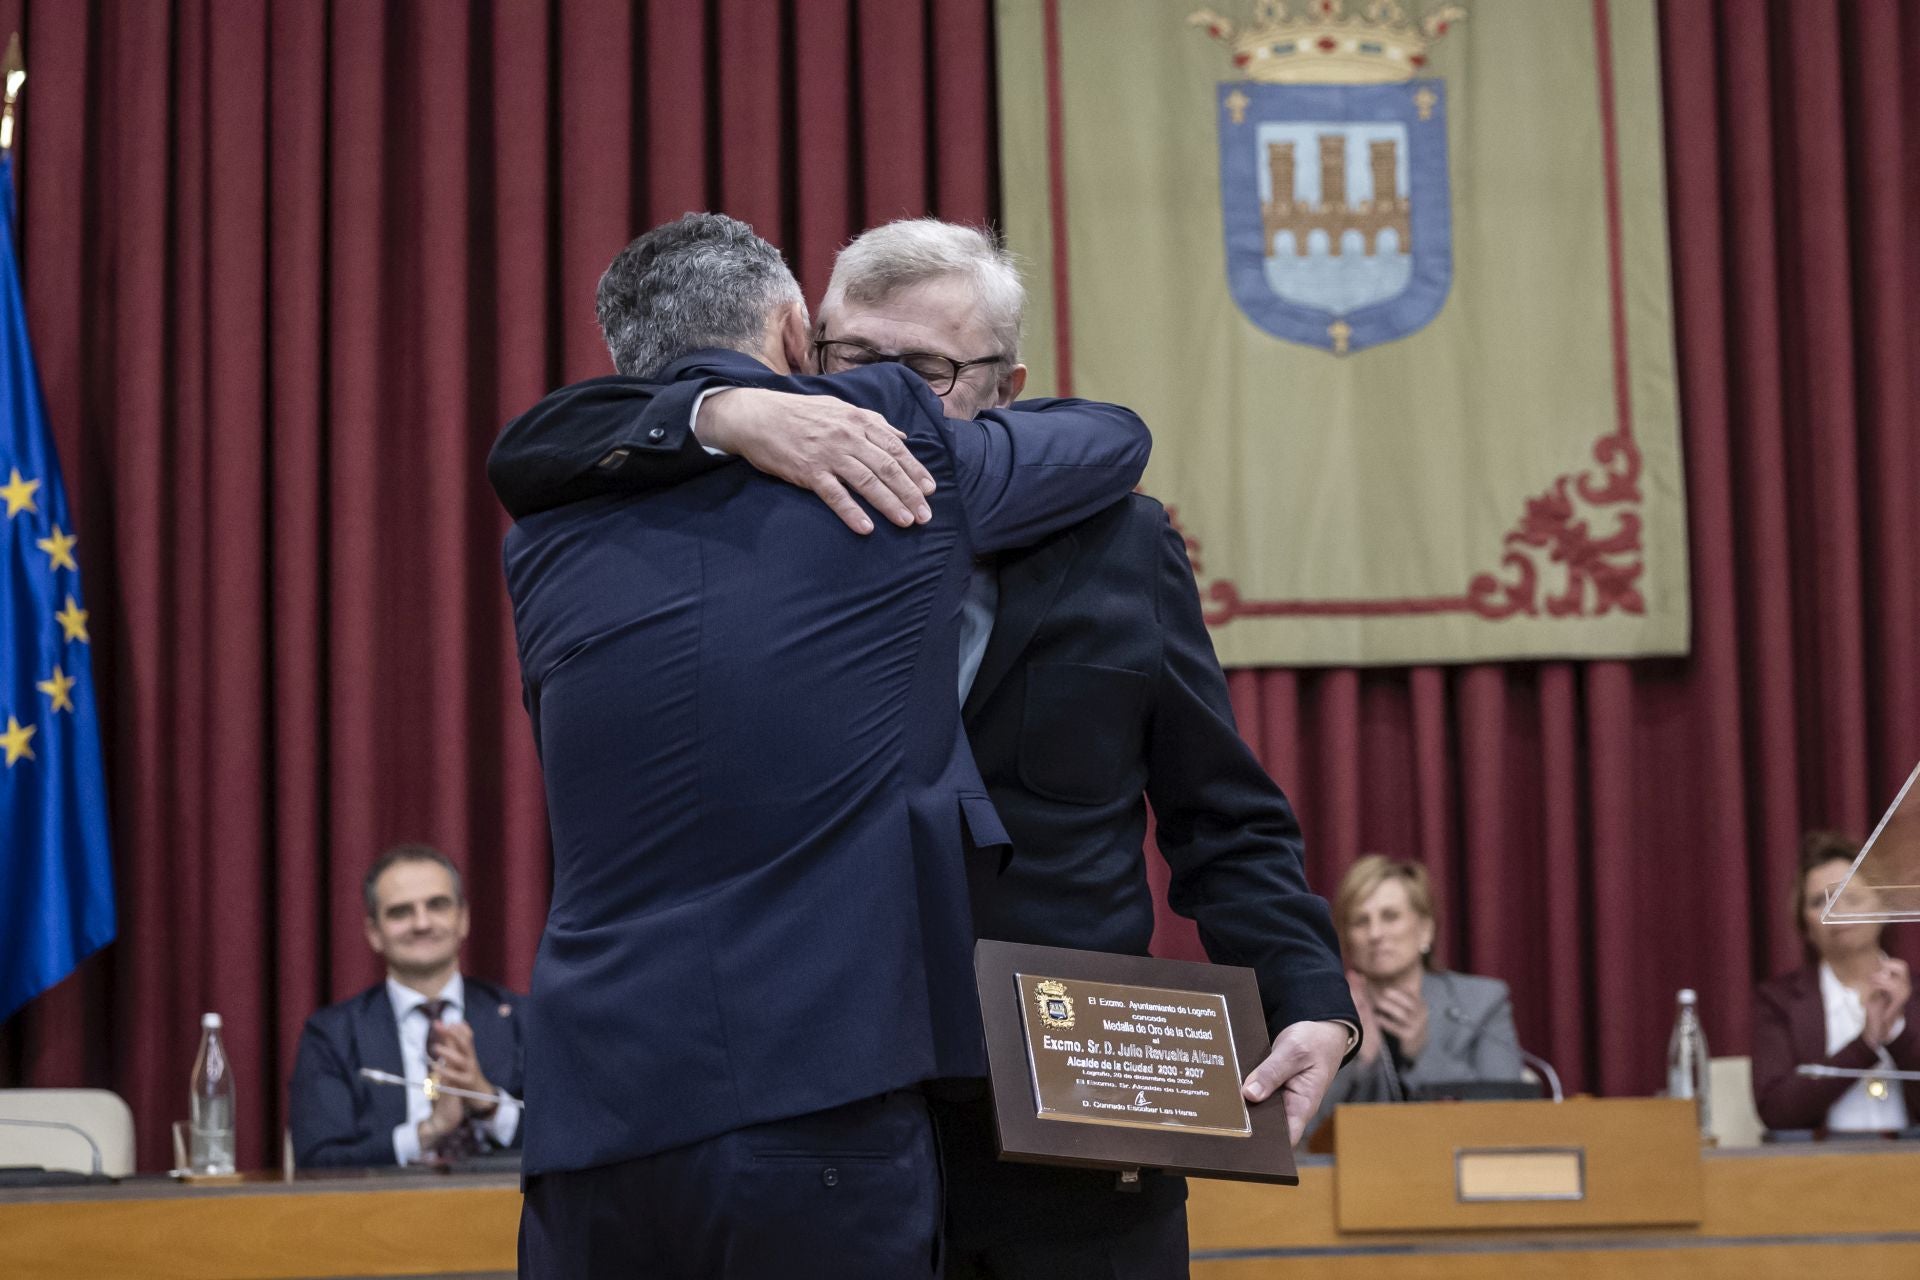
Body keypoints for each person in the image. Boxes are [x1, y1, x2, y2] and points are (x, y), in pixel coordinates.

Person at [489, 218, 1357, 1278]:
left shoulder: (1120, 546)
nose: (877, 400)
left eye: (927, 372)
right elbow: (544, 443)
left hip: (1062, 1134)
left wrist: (1309, 991)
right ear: (806, 353)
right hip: (829, 1112)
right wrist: (728, 408)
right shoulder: (742, 509)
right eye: (855, 364)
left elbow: (1221, 811)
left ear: (1008, 380)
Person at [288, 844, 524, 1168]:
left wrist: (488, 1102)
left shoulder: (523, 1020)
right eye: (401, 912)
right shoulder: (332, 1035)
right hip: (382, 1215)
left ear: (463, 919)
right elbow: (318, 1162)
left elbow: (572, 1141)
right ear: (374, 933)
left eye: (437, 905)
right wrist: (429, 1131)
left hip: (505, 1212)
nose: (422, 923)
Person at [1305, 855, 1522, 1139]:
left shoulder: (1482, 1003)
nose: (1375, 933)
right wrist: (1356, 1060)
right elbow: (1298, 1133)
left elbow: (1509, 1115)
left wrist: (1423, 1052)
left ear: (1425, 930)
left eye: (1390, 916)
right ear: (1346, 938)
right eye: (1360, 921)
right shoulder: (1321, 1012)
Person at [1751, 831, 1919, 1133]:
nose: (1837, 911)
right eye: (1820, 901)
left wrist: (1896, 1033)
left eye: (1851, 897)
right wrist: (1864, 1044)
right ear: (1804, 925)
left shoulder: (1916, 992)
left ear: (1884, 906)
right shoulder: (1778, 1001)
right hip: (1821, 1173)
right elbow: (1776, 1111)